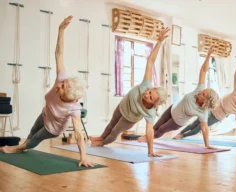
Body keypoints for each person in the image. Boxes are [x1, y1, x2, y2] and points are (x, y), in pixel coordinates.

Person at [1, 16, 95, 167]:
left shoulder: (74, 109)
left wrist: (83, 157)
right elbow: (58, 54)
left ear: (70, 97)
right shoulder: (62, 79)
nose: (58, 86)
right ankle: (23, 147)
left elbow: (79, 133)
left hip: (53, 128)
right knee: (32, 131)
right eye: (62, 83)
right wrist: (61, 30)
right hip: (46, 113)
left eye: (63, 88)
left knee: (35, 138)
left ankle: (17, 148)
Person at [89, 28, 170, 157]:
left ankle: (103, 142)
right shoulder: (146, 84)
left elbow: (149, 131)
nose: (146, 95)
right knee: (111, 123)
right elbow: (151, 61)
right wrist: (159, 41)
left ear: (155, 104)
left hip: (129, 118)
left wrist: (150, 152)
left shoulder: (150, 112)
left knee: (115, 130)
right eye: (149, 92)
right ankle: (100, 137)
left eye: (150, 98)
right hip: (122, 106)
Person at [138, 46, 219, 149]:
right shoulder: (199, 90)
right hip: (172, 108)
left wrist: (207, 145)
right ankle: (148, 136)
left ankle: (147, 138)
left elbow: (204, 128)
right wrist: (208, 56)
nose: (201, 92)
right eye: (203, 91)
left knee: (162, 129)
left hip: (177, 121)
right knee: (156, 125)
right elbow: (203, 71)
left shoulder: (203, 112)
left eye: (203, 94)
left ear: (206, 102)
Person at [173, 51, 236, 145]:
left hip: (216, 117)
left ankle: (182, 136)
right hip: (211, 108)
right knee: (195, 123)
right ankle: (180, 133)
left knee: (199, 128)